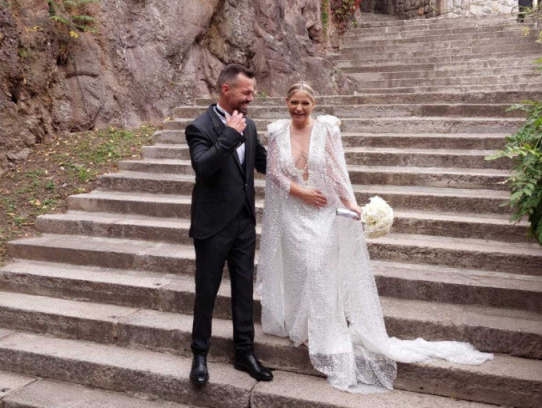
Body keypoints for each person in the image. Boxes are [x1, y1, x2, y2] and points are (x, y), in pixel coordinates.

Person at [257, 82, 493, 392]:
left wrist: (352, 205)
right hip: (294, 212)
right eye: (294, 102)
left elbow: (336, 172)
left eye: (305, 103)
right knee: (299, 271)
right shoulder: (277, 132)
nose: (299, 108)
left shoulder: (327, 130)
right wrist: (300, 192)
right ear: (286, 102)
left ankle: (324, 332)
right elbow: (274, 172)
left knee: (318, 270)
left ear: (314, 104)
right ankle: (302, 328)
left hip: (324, 212)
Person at [185, 64, 271, 385]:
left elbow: (263, 162)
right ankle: (199, 354)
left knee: (243, 290)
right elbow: (203, 167)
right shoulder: (199, 126)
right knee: (206, 291)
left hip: (244, 223)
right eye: (246, 92)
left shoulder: (250, 125)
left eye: (252, 92)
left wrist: (300, 154)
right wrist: (230, 135)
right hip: (212, 225)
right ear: (226, 90)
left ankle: (244, 353)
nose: (251, 98)